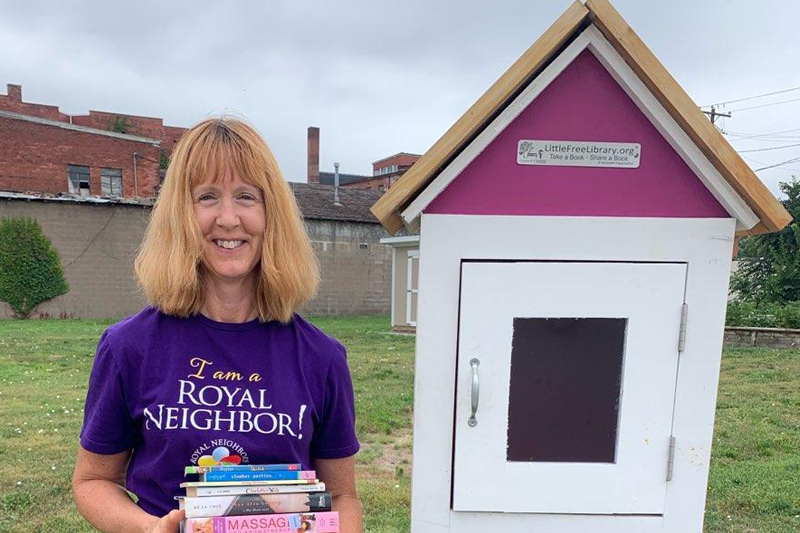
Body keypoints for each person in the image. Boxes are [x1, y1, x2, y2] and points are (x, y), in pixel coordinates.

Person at [71, 118, 363, 533]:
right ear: (181, 215)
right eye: (207, 197)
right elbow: (94, 480)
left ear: (271, 214)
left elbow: (343, 496)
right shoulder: (129, 346)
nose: (228, 219)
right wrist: (149, 529)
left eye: (246, 196)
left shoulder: (322, 357)